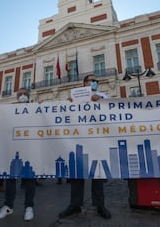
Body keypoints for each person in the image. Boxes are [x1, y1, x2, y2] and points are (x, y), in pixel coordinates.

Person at [59, 74, 111, 220]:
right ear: (84, 83)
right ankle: (75, 204)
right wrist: (69, 102)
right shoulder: (76, 96)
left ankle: (100, 205)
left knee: (98, 173)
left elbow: (112, 109)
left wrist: (99, 100)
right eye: (92, 80)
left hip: (97, 138)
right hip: (79, 138)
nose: (95, 82)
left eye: (96, 80)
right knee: (77, 172)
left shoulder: (102, 95)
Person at [0, 88, 36, 221]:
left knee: (30, 178)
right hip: (13, 148)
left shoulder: (35, 108)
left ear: (29, 96)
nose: (22, 96)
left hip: (30, 146)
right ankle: (8, 206)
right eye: (20, 94)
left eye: (25, 94)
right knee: (11, 177)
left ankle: (29, 207)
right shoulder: (10, 109)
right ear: (17, 97)